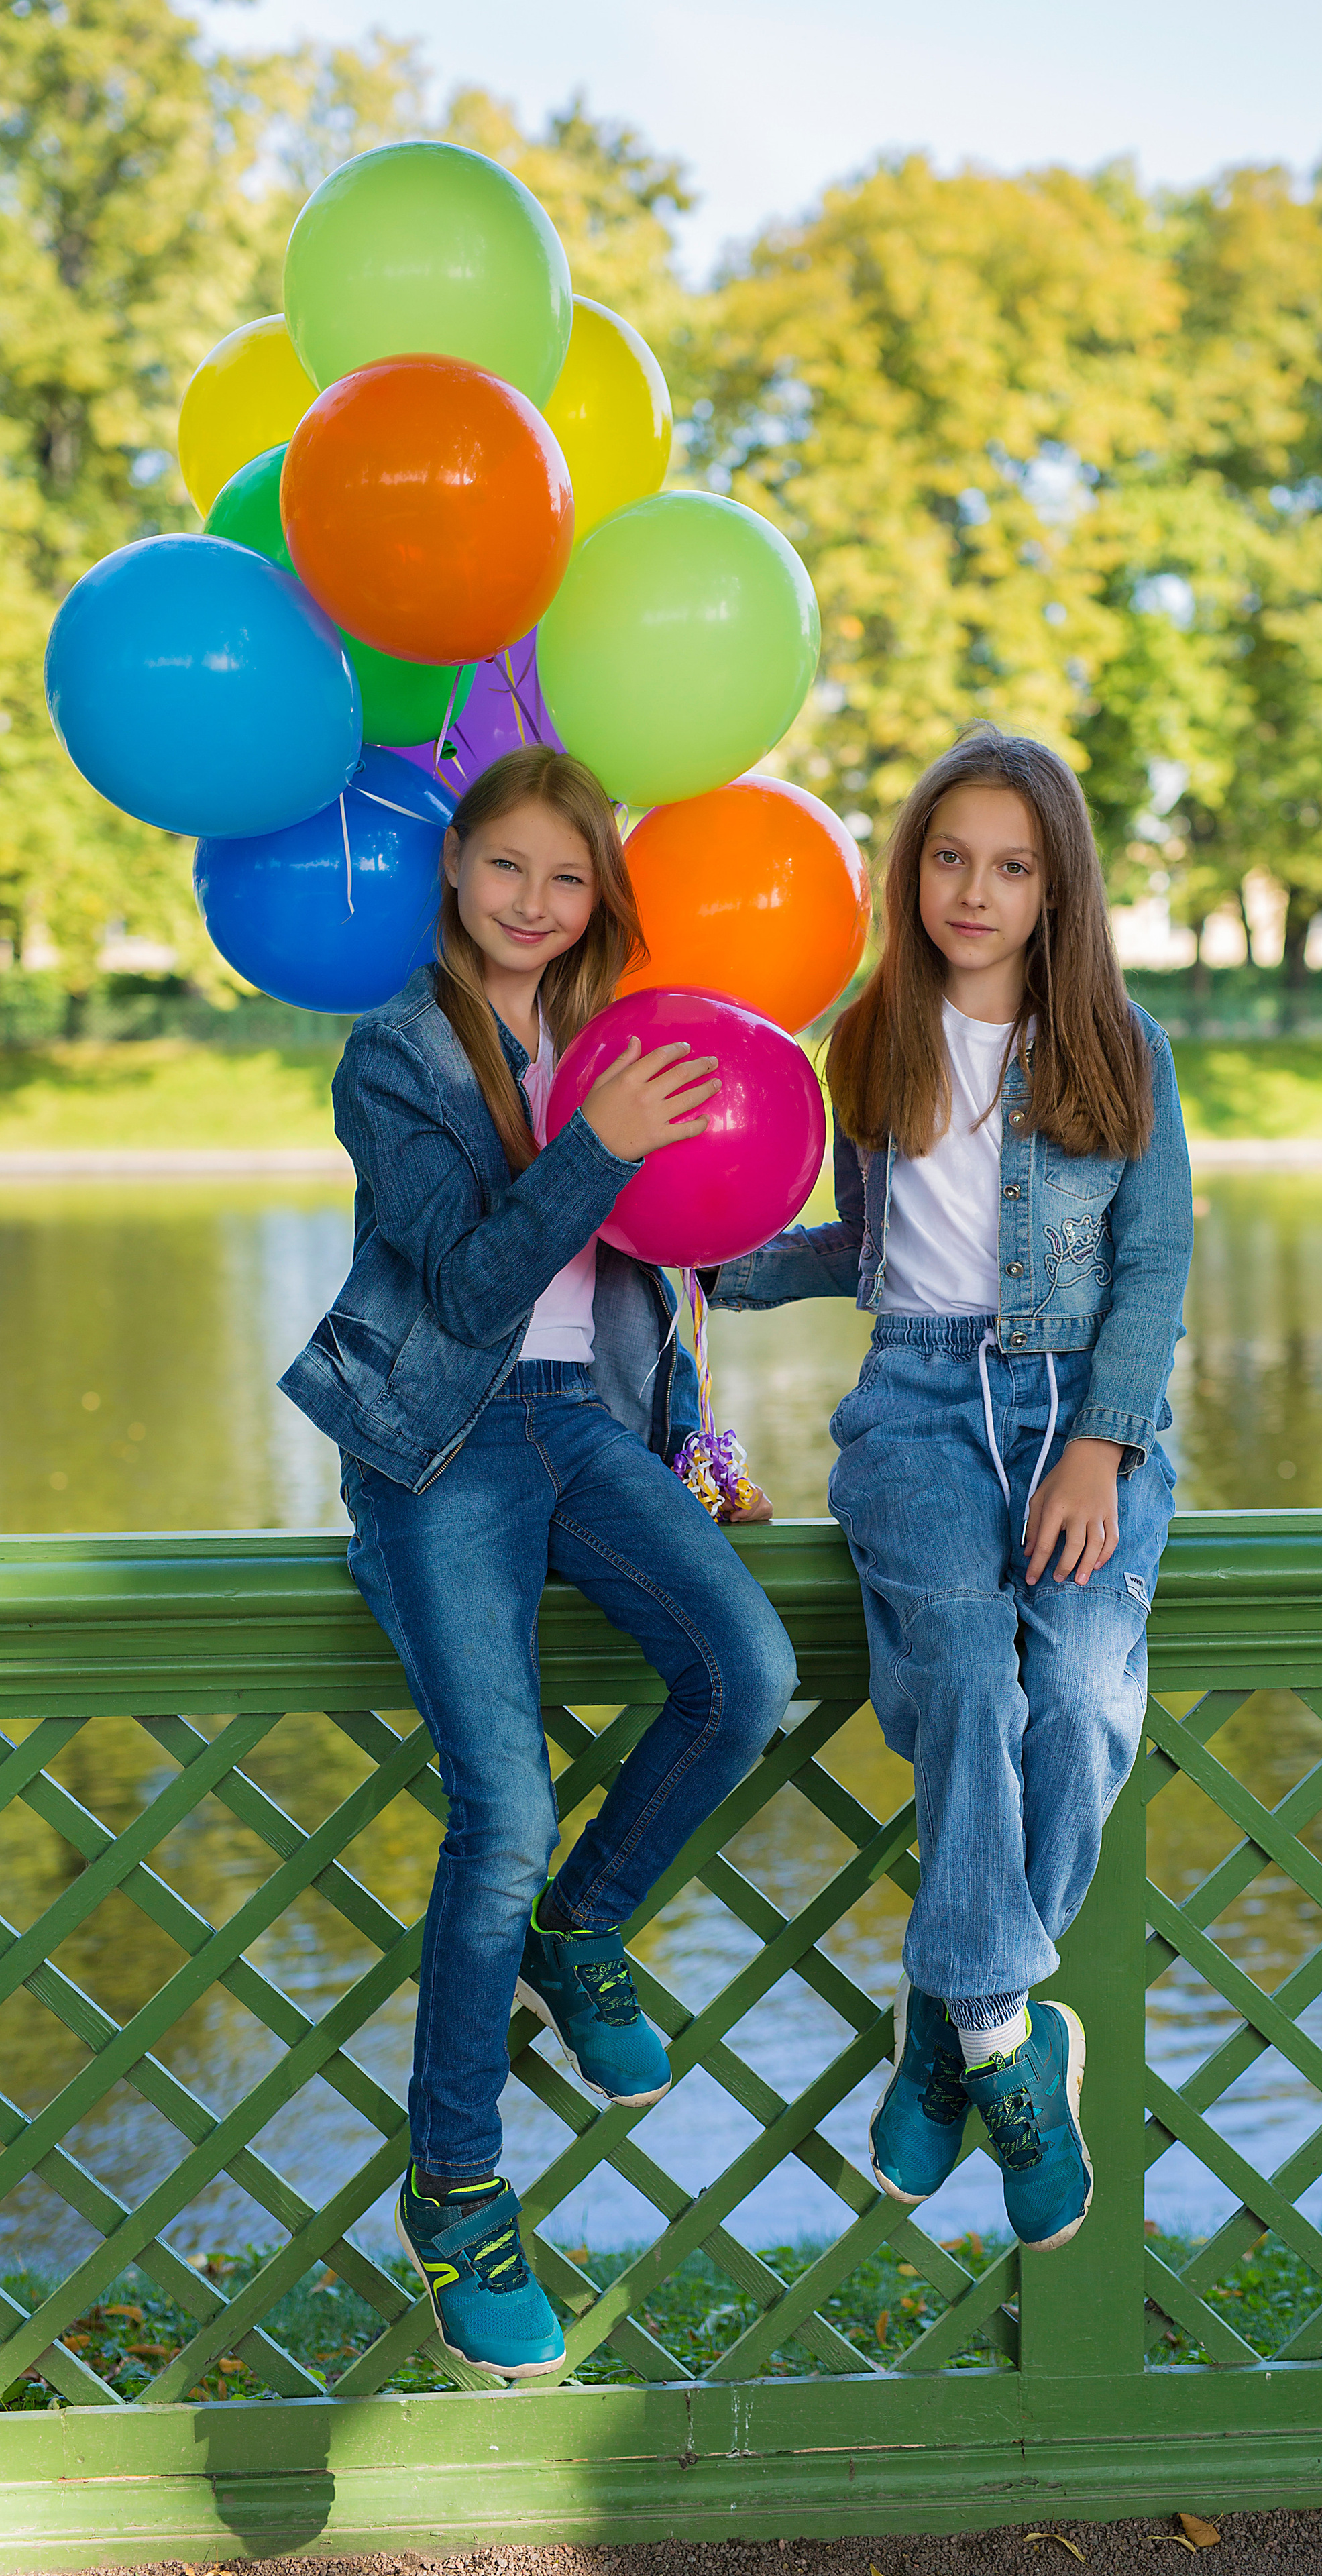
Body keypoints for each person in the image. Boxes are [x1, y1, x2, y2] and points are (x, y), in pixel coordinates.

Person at [280, 745, 796, 2382]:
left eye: (565, 880)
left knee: (747, 1676)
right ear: (456, 871)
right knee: (500, 1804)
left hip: (585, 1430)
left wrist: (902, 1247)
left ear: (598, 900)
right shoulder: (397, 1055)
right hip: (440, 1438)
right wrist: (604, 1144)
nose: (531, 902)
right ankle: (454, 2185)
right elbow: (473, 1270)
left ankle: (584, 1935)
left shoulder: (614, 1047)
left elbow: (696, 1239)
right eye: (505, 867)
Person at [708, 726, 1191, 2253]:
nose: (971, 891)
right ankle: (1005, 2030)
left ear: (1056, 889)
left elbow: (1154, 1259)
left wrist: (1102, 1446)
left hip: (1078, 1415)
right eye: (946, 858)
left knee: (1086, 1694)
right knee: (968, 1676)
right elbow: (868, 1253)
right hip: (913, 1412)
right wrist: (709, 1264)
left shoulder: (1121, 1045)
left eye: (1008, 866)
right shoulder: (868, 1041)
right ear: (910, 867)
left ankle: (947, 2020)